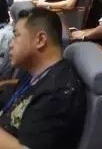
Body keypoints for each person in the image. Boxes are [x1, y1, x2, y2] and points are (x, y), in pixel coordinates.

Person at [0, 8, 86, 149]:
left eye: (16, 36)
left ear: (40, 40)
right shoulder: (34, 72)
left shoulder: (57, 93)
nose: (11, 44)